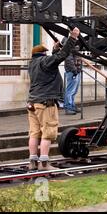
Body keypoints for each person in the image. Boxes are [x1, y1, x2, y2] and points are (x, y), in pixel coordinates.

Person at [27, 28, 80, 171]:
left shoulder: (32, 64)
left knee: (34, 133)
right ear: (44, 54)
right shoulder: (45, 62)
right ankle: (44, 164)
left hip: (32, 103)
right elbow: (61, 56)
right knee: (47, 133)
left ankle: (32, 162)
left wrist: (54, 51)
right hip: (46, 103)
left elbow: (53, 60)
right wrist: (73, 38)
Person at [63, 38, 82, 115]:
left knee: (73, 90)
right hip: (72, 71)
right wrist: (74, 70)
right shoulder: (68, 42)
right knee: (70, 90)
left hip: (75, 70)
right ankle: (68, 107)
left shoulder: (73, 42)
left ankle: (72, 105)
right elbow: (69, 59)